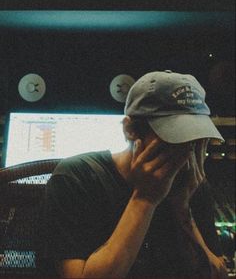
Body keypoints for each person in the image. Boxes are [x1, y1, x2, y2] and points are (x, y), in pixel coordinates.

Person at [39, 70, 228, 278]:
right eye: (175, 137)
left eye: (195, 140)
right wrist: (144, 199)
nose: (186, 152)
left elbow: (216, 273)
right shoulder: (76, 179)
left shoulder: (189, 182)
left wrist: (183, 210)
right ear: (130, 130)